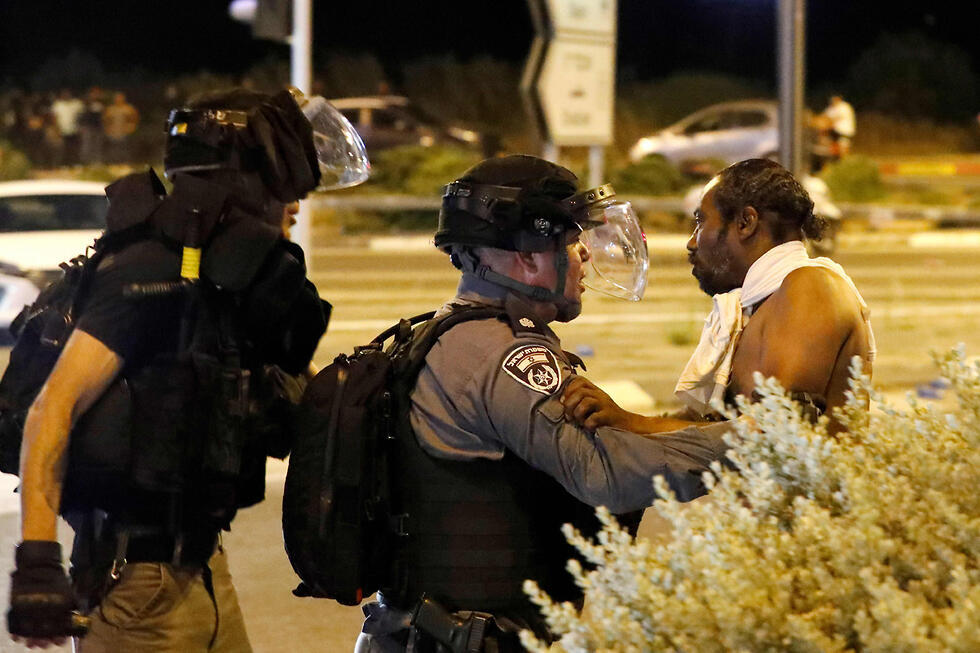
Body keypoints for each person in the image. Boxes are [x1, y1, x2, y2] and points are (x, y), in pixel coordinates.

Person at [7, 87, 370, 651]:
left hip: (202, 570)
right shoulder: (150, 272)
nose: (297, 203)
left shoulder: (225, 282)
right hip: (136, 585)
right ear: (250, 178)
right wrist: (36, 564)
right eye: (287, 183)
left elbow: (314, 395)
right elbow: (53, 406)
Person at [354, 155, 735, 652]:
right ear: (530, 257)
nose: (584, 258)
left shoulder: (446, 334)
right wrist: (751, 443)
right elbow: (607, 473)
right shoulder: (505, 355)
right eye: (571, 243)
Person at [563, 158, 875, 435]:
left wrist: (630, 423)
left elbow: (777, 430)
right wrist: (618, 420)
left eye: (700, 222)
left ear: (745, 223)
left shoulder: (809, 286)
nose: (691, 242)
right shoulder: (755, 306)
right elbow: (712, 425)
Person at [101, 91, 139, 164]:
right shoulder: (110, 109)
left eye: (120, 98)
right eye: (117, 98)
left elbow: (135, 119)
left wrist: (131, 127)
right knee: (113, 149)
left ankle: (124, 162)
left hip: (124, 132)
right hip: (113, 132)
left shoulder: (128, 109)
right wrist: (107, 128)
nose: (119, 99)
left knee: (125, 148)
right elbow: (105, 120)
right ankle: (114, 163)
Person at [821, 95, 855, 159]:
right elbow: (825, 116)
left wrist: (827, 123)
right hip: (834, 131)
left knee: (843, 145)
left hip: (844, 130)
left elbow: (837, 118)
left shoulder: (844, 107)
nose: (833, 101)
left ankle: (843, 159)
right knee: (831, 143)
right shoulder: (831, 108)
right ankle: (834, 157)